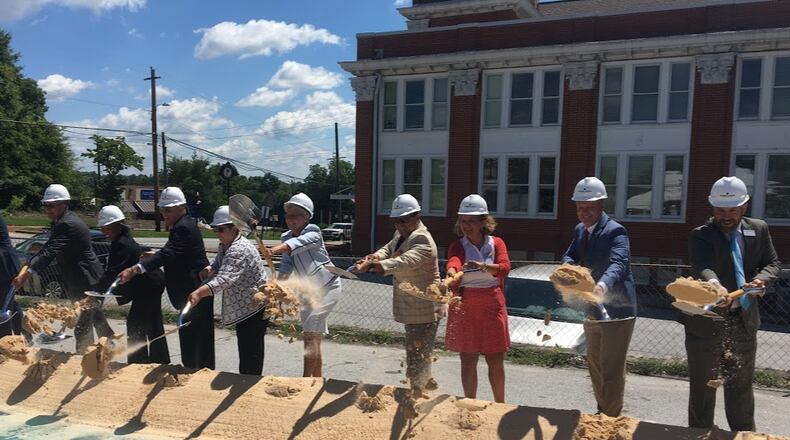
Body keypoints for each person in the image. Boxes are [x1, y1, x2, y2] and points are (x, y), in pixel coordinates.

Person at [683, 176, 780, 432]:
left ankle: (744, 435)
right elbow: (703, 265)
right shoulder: (701, 235)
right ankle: (700, 435)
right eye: (720, 210)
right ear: (713, 208)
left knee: (740, 386)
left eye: (732, 210)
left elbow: (772, 263)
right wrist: (714, 284)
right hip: (706, 323)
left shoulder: (758, 229)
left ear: (744, 206)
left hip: (743, 321)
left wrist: (760, 280)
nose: (726, 216)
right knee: (704, 386)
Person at [561, 177, 637, 417]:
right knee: (595, 364)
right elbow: (570, 255)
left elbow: (619, 263)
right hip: (593, 308)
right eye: (580, 207)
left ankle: (611, 418)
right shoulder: (580, 230)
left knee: (611, 368)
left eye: (589, 207)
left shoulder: (616, 231)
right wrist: (566, 269)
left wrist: (603, 285)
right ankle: (601, 411)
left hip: (617, 311)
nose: (584, 212)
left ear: (601, 204)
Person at [357, 194, 443, 394]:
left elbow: (404, 261)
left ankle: (417, 393)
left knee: (417, 353)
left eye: (403, 220)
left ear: (416, 216)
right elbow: (388, 249)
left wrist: (375, 266)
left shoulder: (422, 239)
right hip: (413, 306)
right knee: (417, 350)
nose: (399, 225)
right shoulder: (402, 234)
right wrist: (372, 257)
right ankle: (423, 384)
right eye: (396, 221)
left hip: (425, 307)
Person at [119, 187, 213, 369]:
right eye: (162, 210)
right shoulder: (183, 225)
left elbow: (168, 254)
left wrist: (135, 269)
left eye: (168, 210)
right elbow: (176, 253)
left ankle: (195, 375)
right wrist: (155, 254)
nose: (164, 214)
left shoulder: (183, 227)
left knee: (194, 341)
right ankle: (195, 371)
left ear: (181, 207)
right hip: (192, 292)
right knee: (193, 339)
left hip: (193, 292)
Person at [13, 184, 113, 353]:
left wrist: (28, 273)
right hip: (81, 279)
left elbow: (50, 252)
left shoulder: (68, 224)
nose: (47, 209)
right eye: (45, 205)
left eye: (51, 205)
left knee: (82, 322)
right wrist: (28, 265)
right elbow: (47, 247)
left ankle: (85, 358)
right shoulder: (61, 222)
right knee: (94, 317)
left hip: (87, 280)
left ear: (64, 204)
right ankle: (110, 346)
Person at [266, 193, 342, 377]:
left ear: (307, 216)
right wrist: (276, 288)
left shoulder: (314, 232)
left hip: (328, 288)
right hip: (309, 293)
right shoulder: (286, 237)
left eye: (296, 215)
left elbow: (298, 243)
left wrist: (275, 249)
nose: (290, 219)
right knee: (312, 335)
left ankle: (305, 381)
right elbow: (286, 265)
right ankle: (316, 380)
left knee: (310, 334)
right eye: (288, 215)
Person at [444, 194, 511, 403]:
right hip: (465, 306)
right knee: (468, 358)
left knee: (495, 359)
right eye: (463, 221)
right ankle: (470, 403)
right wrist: (450, 273)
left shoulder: (496, 243)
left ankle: (499, 404)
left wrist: (482, 266)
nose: (466, 226)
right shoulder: (458, 245)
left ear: (483, 222)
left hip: (491, 305)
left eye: (471, 221)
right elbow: (454, 262)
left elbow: (505, 268)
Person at [188, 206, 269, 375]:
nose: (218, 233)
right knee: (245, 347)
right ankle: (246, 380)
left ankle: (250, 383)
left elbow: (224, 279)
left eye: (221, 229)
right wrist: (211, 268)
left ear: (235, 228)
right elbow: (220, 264)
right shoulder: (225, 244)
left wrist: (198, 293)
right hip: (245, 306)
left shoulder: (238, 249)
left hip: (254, 307)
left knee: (251, 350)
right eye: (215, 229)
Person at [92, 205, 169, 364]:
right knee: (152, 323)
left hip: (149, 286)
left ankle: (138, 361)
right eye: (103, 228)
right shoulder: (119, 241)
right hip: (151, 283)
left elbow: (112, 273)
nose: (105, 232)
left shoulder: (122, 245)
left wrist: (95, 293)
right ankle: (159, 359)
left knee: (135, 323)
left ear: (117, 225)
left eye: (107, 228)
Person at [0, 214, 23, 338]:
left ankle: (6, 345)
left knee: (3, 307)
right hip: (5, 265)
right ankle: (23, 331)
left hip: (4, 267)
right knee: (9, 303)